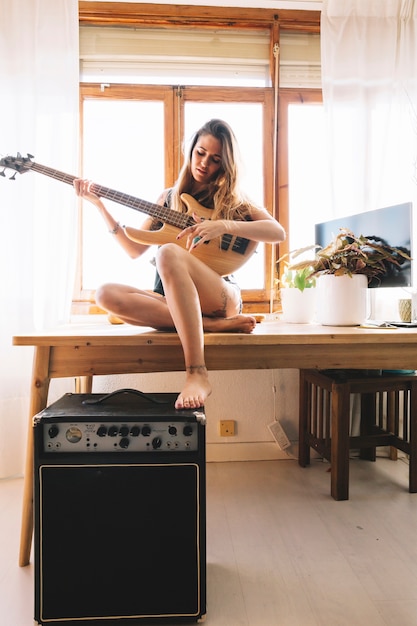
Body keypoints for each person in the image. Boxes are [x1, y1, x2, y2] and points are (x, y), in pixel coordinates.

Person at [74, 119, 286, 410]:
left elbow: (277, 233)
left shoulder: (235, 201)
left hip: (220, 294)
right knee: (105, 294)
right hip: (174, 299)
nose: (204, 163)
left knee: (167, 254)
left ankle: (197, 372)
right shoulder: (169, 198)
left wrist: (222, 225)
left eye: (215, 159)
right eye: (200, 153)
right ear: (191, 150)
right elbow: (134, 249)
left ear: (226, 164)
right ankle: (211, 326)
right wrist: (100, 206)